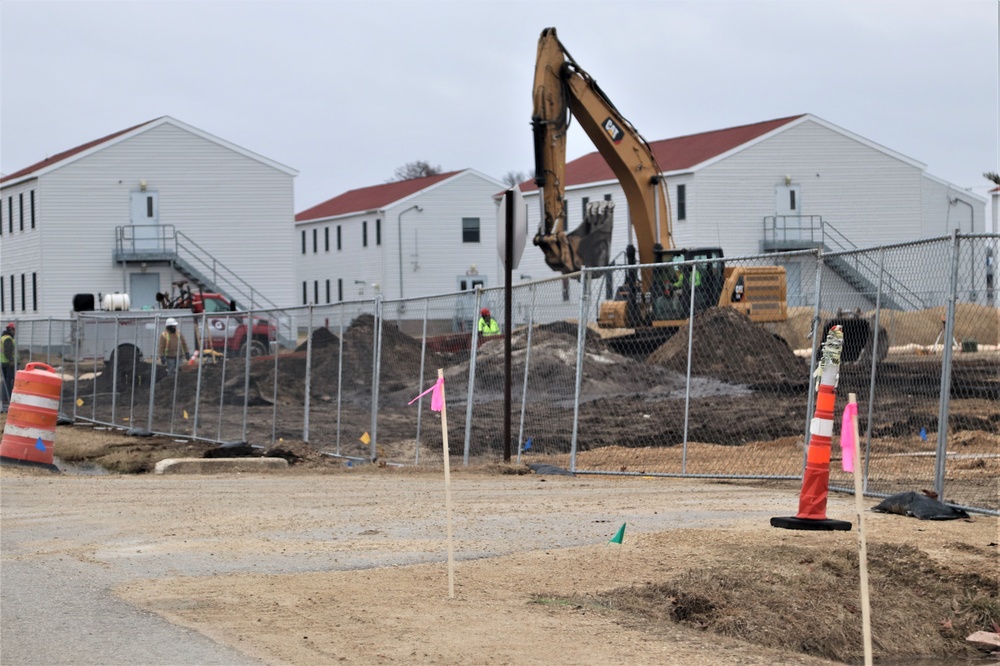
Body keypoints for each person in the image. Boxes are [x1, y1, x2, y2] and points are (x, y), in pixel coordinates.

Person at [1, 323, 15, 408]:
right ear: (11, 330)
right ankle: (8, 397)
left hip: (3, 362)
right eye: (14, 330)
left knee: (6, 381)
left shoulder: (3, 337)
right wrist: (12, 361)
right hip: (8, 363)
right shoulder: (8, 339)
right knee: (9, 381)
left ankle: (5, 397)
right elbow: (8, 352)